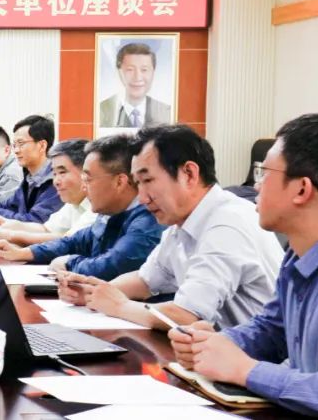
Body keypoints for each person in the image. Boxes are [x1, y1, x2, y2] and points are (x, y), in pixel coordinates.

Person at [169, 113, 318, 418]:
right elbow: (272, 330)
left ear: (302, 189)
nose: (256, 185)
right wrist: (213, 344)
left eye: (264, 173)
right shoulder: (301, 249)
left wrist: (246, 371)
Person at [59, 125, 282, 330]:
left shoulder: (226, 225)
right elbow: (146, 280)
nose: (142, 198)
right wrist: (96, 293)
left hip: (255, 356)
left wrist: (118, 305)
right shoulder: (183, 222)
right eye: (137, 183)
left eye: (148, 181)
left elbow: (186, 315)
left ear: (189, 174)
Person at [0, 134, 163, 280]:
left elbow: (114, 264)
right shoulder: (110, 212)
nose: (84, 187)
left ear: (120, 182)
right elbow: (74, 241)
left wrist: (70, 262)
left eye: (88, 179)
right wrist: (24, 253)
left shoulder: (148, 219)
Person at [0, 139, 94, 246]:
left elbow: (68, 241)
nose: (56, 181)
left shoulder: (97, 207)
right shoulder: (73, 203)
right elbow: (46, 229)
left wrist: (10, 235)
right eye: (54, 174)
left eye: (62, 172)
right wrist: (8, 224)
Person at [0, 115, 63, 225]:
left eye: (21, 144)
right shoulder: (29, 179)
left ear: (42, 145)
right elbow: (6, 206)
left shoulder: (55, 181)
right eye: (15, 145)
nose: (16, 150)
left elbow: (35, 221)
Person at [98, 42, 172, 128]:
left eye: (144, 70)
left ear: (153, 72)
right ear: (119, 72)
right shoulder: (101, 111)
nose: (137, 77)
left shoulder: (167, 112)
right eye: (130, 69)